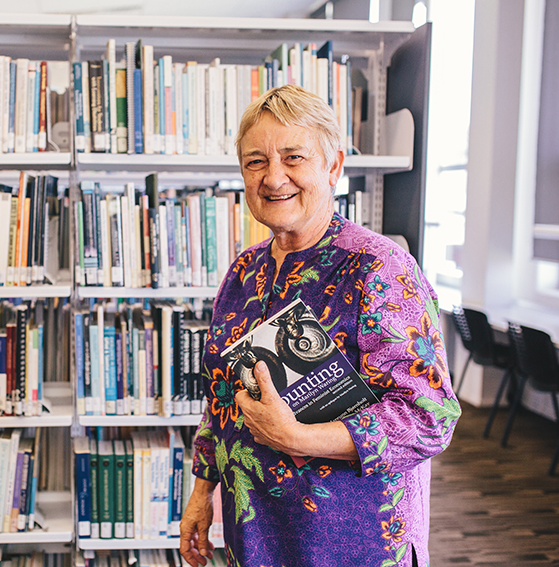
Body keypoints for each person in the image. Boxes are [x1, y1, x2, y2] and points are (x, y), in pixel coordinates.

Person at [178, 84, 460, 567]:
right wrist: (203, 491)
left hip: (354, 542)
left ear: (333, 166)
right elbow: (222, 396)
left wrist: (298, 439)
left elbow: (430, 418)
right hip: (257, 535)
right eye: (255, 162)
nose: (273, 178)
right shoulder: (243, 273)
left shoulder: (379, 268)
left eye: (293, 157)